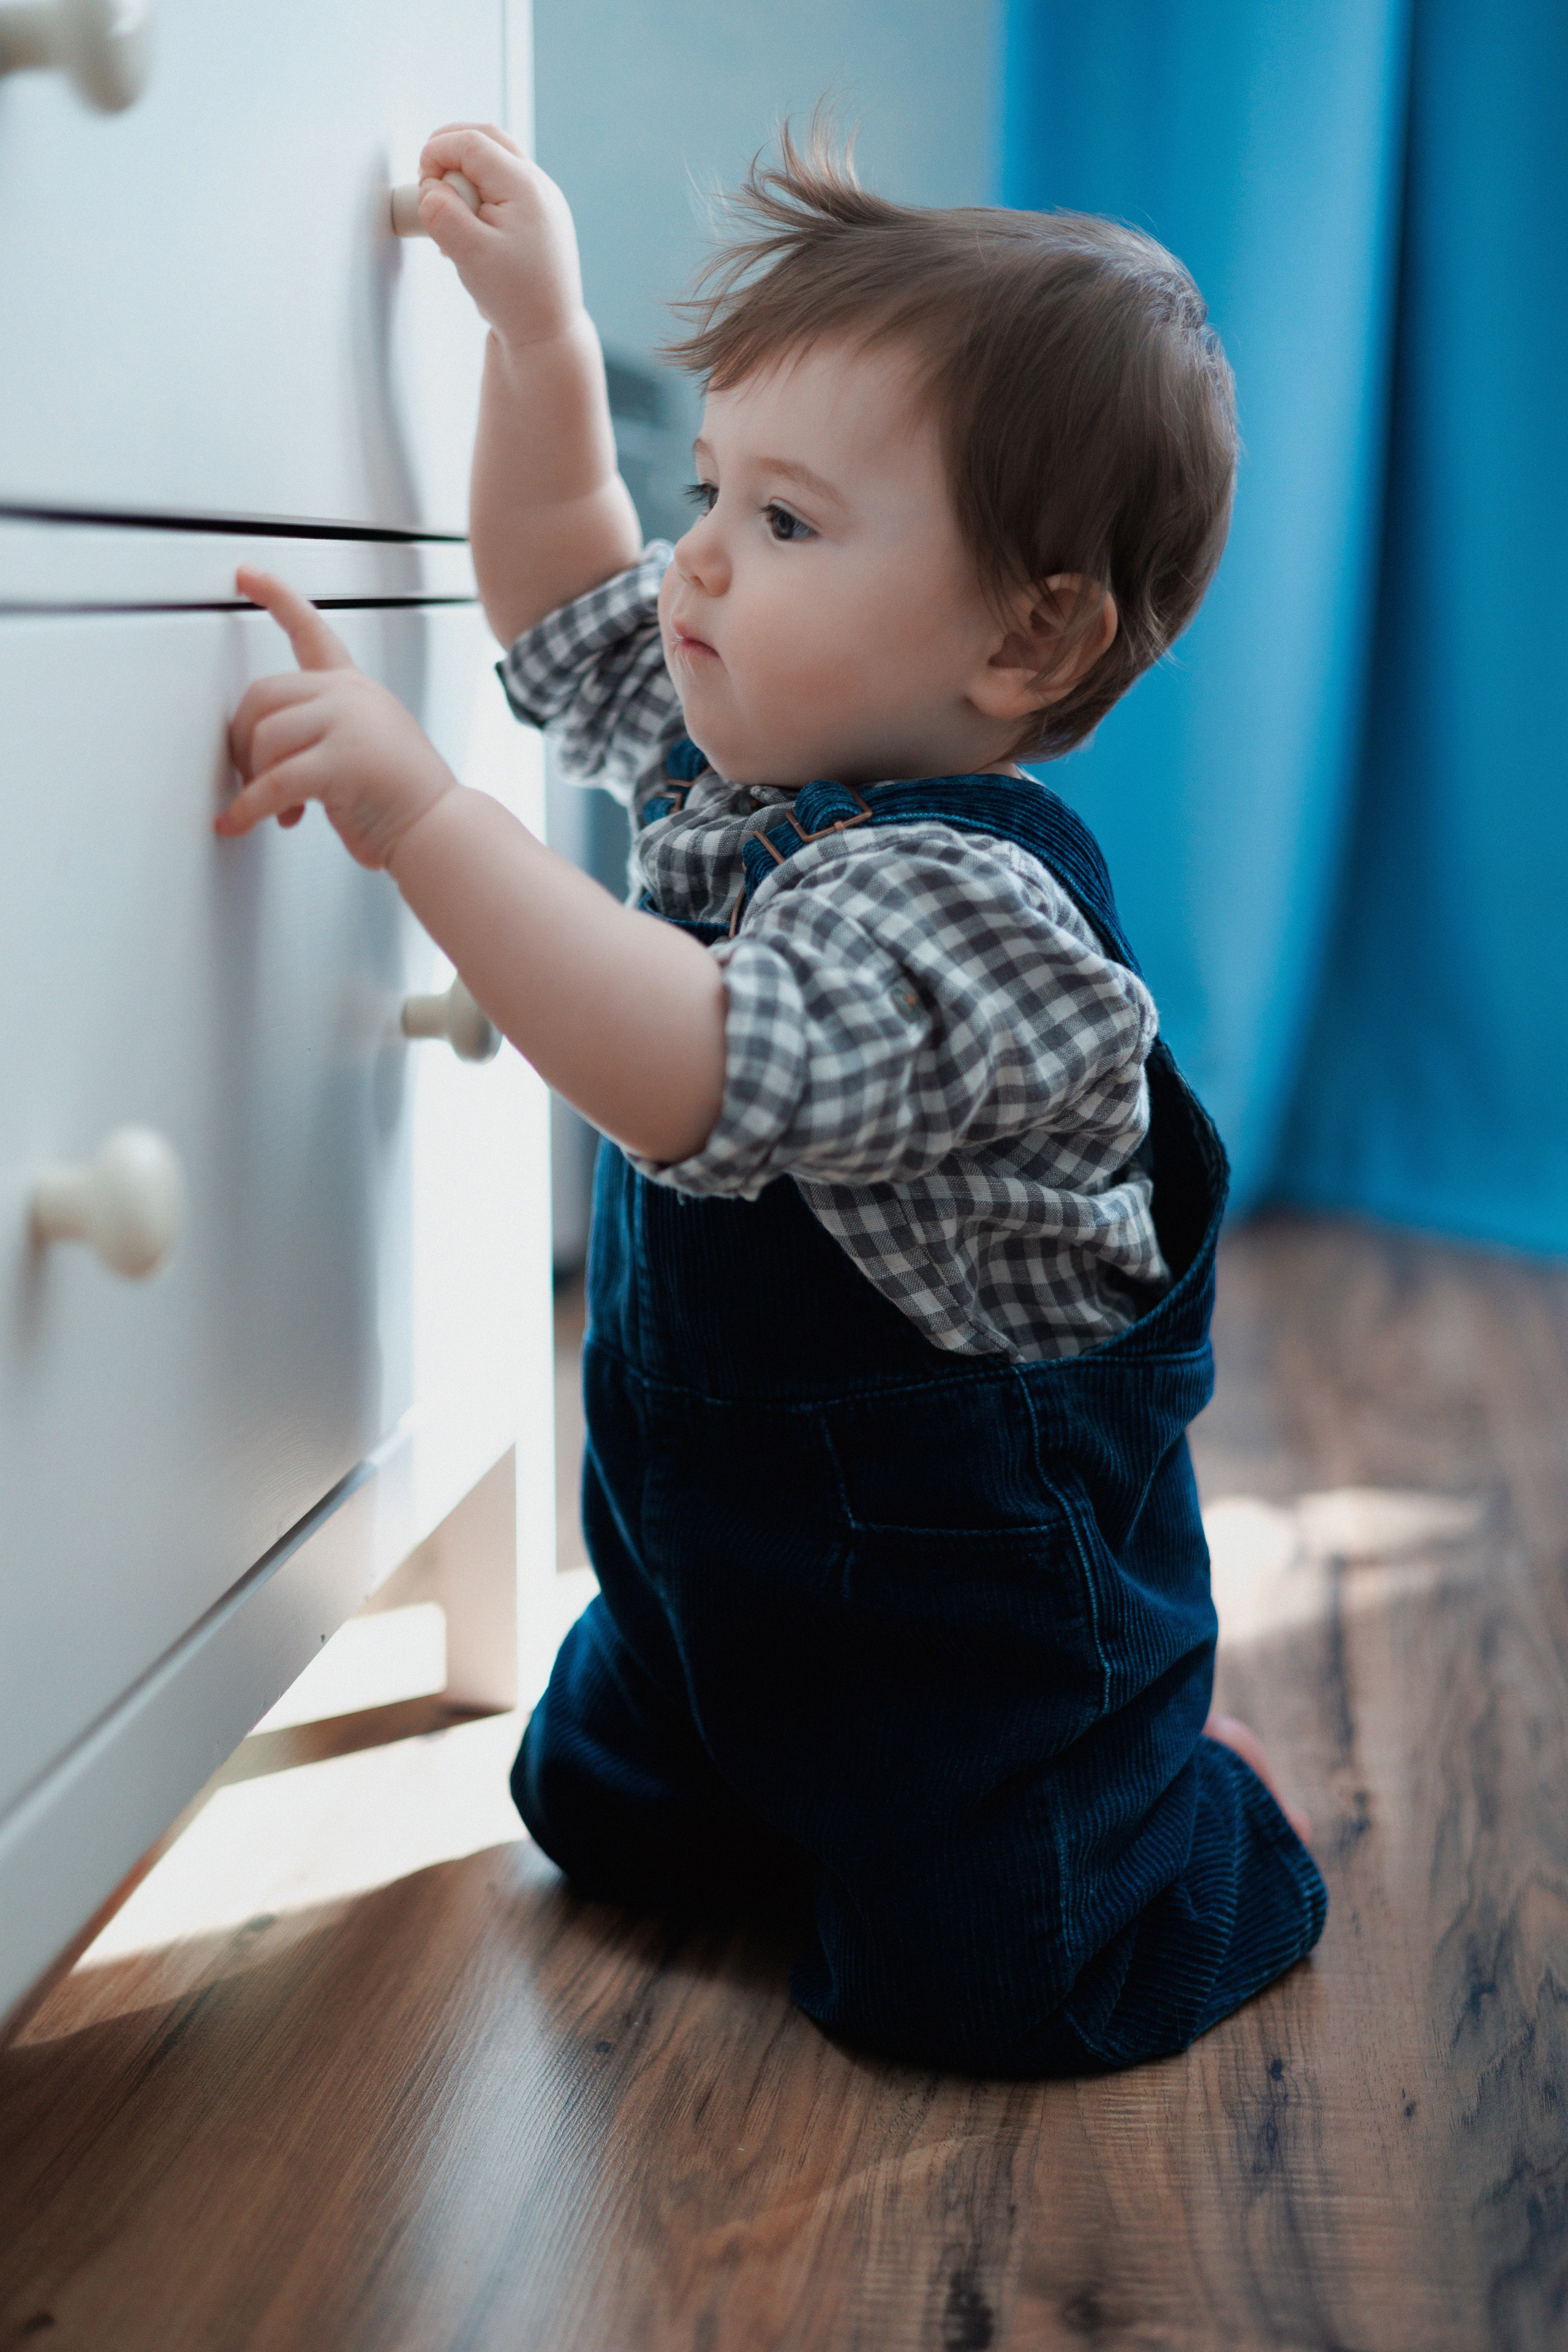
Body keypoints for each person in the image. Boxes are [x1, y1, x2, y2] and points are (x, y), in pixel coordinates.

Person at [218, 119, 1327, 2075]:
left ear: (1028, 635)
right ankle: (759, 1772)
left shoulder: (976, 923)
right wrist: (541, 342)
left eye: (788, 523)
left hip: (974, 1643)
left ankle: (1179, 1801)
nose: (702, 555)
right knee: (598, 1821)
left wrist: (425, 819)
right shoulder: (755, 744)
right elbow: (567, 599)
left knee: (1000, 1986)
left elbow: (692, 1069)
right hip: (711, 1583)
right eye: (709, 485)